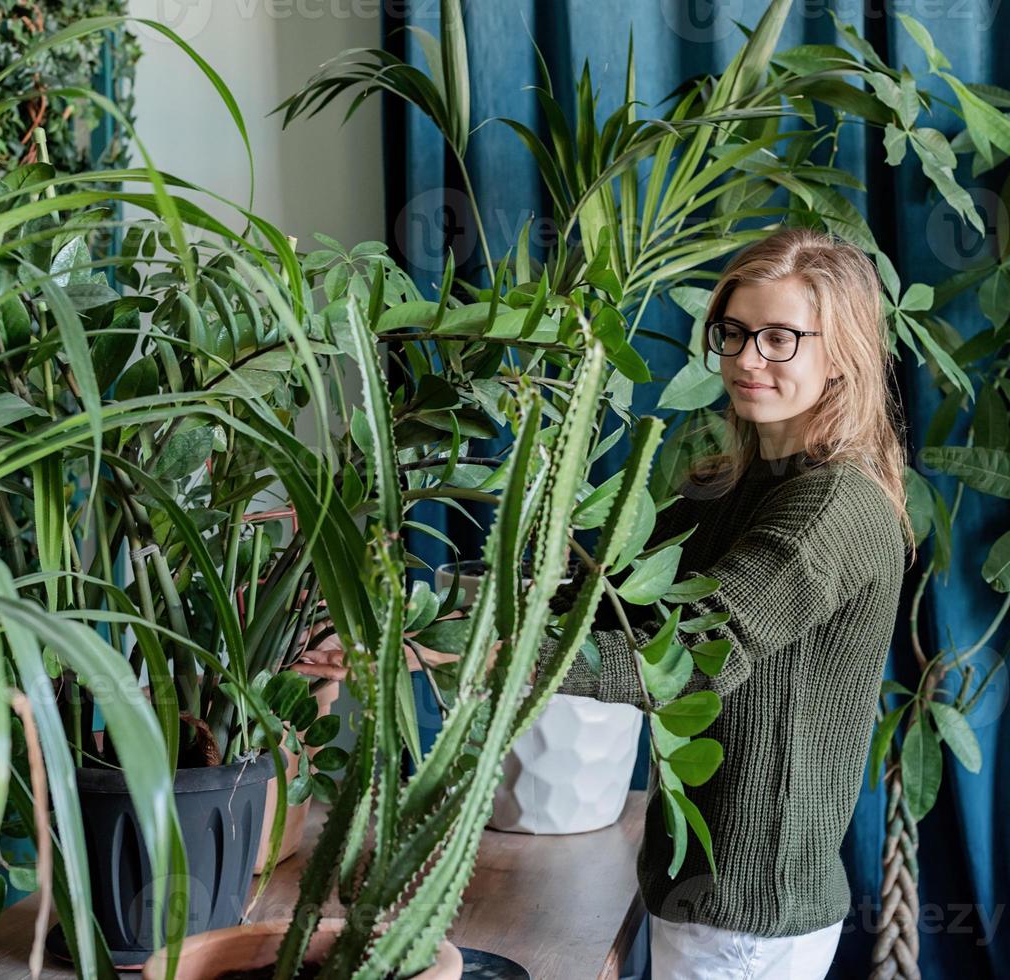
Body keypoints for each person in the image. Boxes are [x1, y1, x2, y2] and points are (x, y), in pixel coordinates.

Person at [295, 227, 915, 979]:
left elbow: (688, 656)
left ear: (841, 353)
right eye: (735, 332)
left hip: (750, 907)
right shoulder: (720, 484)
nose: (748, 358)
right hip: (692, 885)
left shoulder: (834, 506)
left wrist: (476, 653)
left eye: (781, 338)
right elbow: (606, 604)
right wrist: (403, 627)